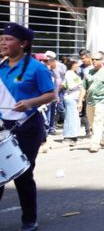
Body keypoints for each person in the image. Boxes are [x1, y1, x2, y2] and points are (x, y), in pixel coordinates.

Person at [0, 23, 56, 231]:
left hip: (27, 127)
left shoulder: (36, 68)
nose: (3, 42)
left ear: (23, 44)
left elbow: (51, 94)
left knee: (22, 174)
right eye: (2, 39)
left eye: (8, 39)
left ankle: (29, 219)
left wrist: (30, 102)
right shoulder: (2, 67)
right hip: (3, 127)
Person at [83, 51, 104, 153]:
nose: (94, 61)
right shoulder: (88, 72)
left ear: (101, 60)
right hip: (90, 101)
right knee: (93, 123)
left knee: (98, 122)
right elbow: (83, 87)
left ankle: (94, 144)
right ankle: (101, 139)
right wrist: (80, 102)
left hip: (102, 100)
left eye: (96, 59)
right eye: (92, 59)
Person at [62, 58, 84, 146]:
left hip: (74, 98)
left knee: (74, 117)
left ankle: (73, 135)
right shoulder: (69, 73)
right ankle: (69, 136)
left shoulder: (73, 73)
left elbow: (63, 84)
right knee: (71, 117)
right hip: (71, 98)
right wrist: (80, 84)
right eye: (76, 64)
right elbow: (70, 86)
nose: (78, 66)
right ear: (72, 64)